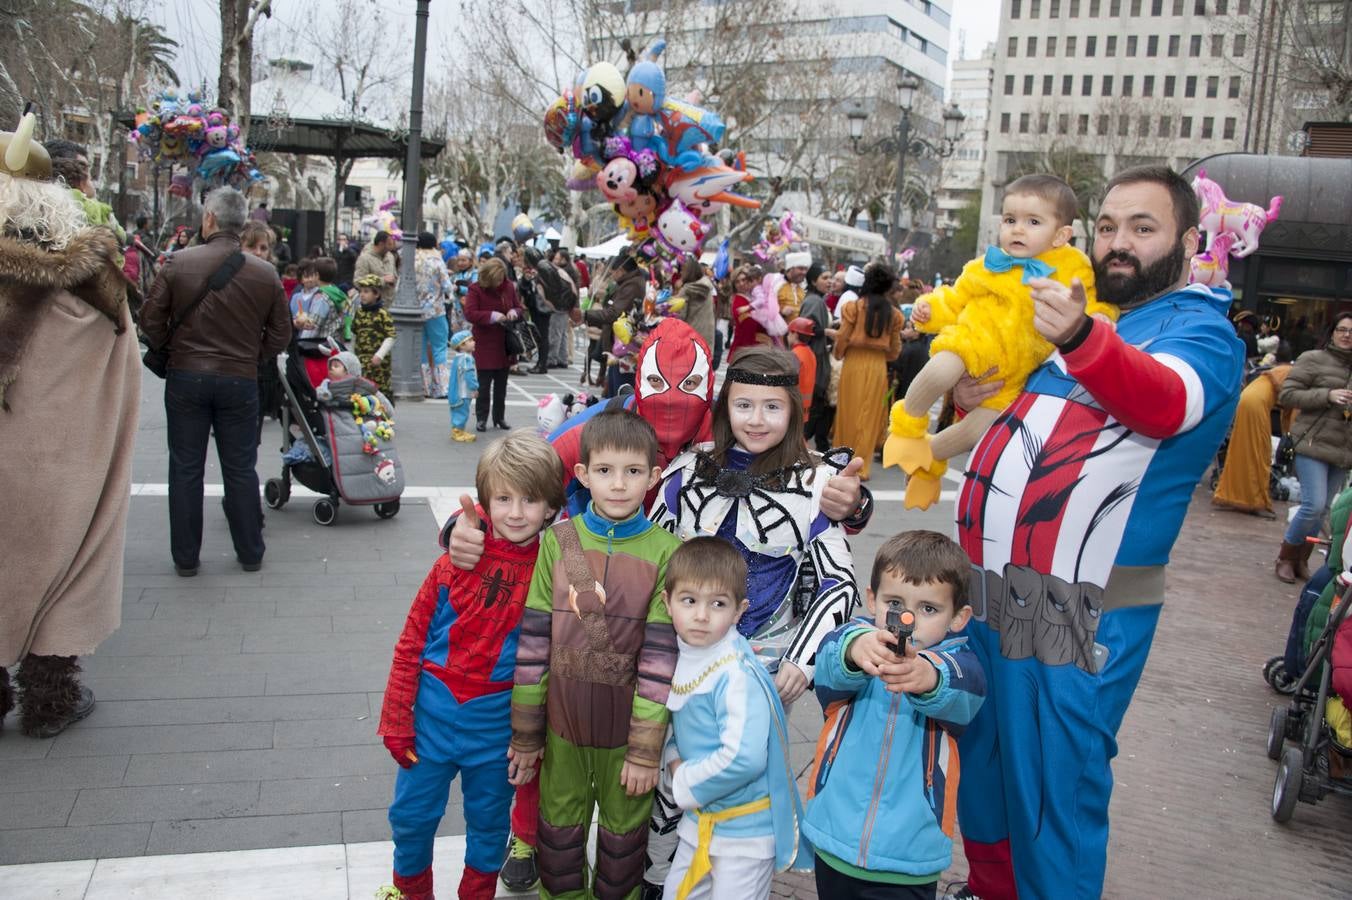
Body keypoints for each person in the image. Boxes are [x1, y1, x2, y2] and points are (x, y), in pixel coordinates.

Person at [945, 165, 1243, 900]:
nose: (1119, 243)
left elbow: (1163, 404)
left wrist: (1079, 336)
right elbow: (1031, 427)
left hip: (1081, 615)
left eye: (1143, 228)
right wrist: (975, 397)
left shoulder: (1202, 330)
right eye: (1108, 226)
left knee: (1057, 793)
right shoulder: (1095, 323)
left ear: (1189, 241)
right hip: (996, 599)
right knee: (986, 770)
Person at [646, 346, 862, 893]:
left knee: (745, 770)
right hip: (684, 654)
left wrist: (801, 662)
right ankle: (659, 873)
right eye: (743, 405)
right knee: (667, 765)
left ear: (794, 411)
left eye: (772, 407)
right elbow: (650, 552)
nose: (757, 420)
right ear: (725, 406)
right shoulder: (687, 470)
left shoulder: (818, 484)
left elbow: (839, 580)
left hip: (764, 664)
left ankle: (738, 876)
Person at [378, 432, 565, 900]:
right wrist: (396, 719)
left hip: (498, 732)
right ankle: (411, 892)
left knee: (488, 826)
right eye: (503, 499)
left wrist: (532, 739)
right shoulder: (450, 566)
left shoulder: (554, 572)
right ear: (485, 502)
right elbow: (410, 643)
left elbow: (552, 667)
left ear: (551, 507)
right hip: (430, 724)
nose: (516, 513)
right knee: (410, 817)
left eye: (530, 500)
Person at [0, 120, 141, 738]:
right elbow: (122, 370)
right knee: (70, 560)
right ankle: (49, 701)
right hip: (66, 461)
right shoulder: (93, 280)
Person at [508, 409, 681, 900]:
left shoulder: (668, 552)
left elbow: (659, 665)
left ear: (654, 476)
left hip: (627, 741)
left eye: (633, 471)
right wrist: (527, 736)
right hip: (561, 734)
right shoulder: (558, 541)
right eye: (605, 470)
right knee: (558, 852)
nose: (619, 484)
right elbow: (533, 646)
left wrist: (645, 753)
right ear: (583, 474)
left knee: (622, 857)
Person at [884, 174, 1116, 509]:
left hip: (1013, 380)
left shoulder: (1074, 268)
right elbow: (954, 299)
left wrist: (1100, 318)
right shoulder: (984, 266)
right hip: (970, 341)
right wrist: (928, 309)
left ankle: (928, 460)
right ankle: (906, 431)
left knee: (976, 431)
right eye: (1010, 220)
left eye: (1033, 221)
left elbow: (1087, 302)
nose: (1017, 229)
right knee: (939, 372)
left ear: (1061, 235)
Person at [805, 531, 985, 899]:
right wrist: (854, 649)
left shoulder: (959, 665)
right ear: (872, 599)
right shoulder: (860, 639)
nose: (908, 619)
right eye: (895, 603)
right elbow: (827, 663)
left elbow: (965, 691)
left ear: (958, 617)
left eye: (928, 609)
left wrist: (930, 677)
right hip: (834, 838)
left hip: (908, 858)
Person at [140, 186, 292, 577]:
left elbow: (149, 320)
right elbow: (281, 334)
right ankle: (250, 551)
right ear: (242, 224)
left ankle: (186, 558)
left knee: (186, 467)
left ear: (209, 218)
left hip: (187, 376)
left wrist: (172, 349)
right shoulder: (265, 273)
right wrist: (252, 354)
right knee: (240, 467)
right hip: (240, 378)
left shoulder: (178, 263)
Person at [660, 537, 808, 900]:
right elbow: (682, 725)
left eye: (718, 604)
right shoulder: (690, 652)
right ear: (667, 602)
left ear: (739, 611)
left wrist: (682, 778)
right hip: (702, 823)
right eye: (689, 601)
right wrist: (673, 756)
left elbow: (744, 757)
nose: (701, 615)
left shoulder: (735, 674)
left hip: (744, 835)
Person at [1274, 312, 1352, 583]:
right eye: (1342, 329)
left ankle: (1301, 560)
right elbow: (1287, 395)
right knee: (1313, 505)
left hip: (1343, 450)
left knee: (1325, 509)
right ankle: (1285, 557)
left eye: (1351, 331)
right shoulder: (1313, 359)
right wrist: (1327, 395)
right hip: (1311, 443)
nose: (1347, 335)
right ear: (1332, 332)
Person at [832, 263, 904, 481]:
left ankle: (840, 461)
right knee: (871, 415)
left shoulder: (853, 308)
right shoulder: (894, 315)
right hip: (877, 365)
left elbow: (842, 337)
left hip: (853, 362)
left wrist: (839, 354)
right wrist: (882, 357)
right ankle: (861, 467)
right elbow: (895, 349)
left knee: (847, 412)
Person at [1212, 352, 1294, 520]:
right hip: (1256, 405)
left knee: (1242, 450)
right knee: (1260, 453)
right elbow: (1290, 408)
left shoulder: (1284, 371)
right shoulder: (1292, 374)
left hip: (1249, 401)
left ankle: (1234, 495)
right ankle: (1254, 500)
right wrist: (1289, 433)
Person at [464, 256, 525, 432]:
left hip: (505, 342)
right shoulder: (475, 289)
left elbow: (519, 308)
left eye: (500, 279)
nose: (498, 283)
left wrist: (514, 311)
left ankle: (499, 418)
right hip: (485, 342)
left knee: (501, 385)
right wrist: (492, 316)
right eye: (495, 280)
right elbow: (470, 313)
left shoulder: (509, 287)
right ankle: (481, 418)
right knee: (483, 384)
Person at [522, 245, 574, 371]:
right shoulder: (544, 268)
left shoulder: (543, 270)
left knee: (544, 336)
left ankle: (542, 364)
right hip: (544, 307)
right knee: (544, 335)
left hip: (542, 307)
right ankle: (542, 363)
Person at [289, 258, 339, 387]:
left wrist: (300, 343)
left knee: (316, 383)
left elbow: (312, 325)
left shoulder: (321, 297)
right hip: (332, 344)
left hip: (317, 348)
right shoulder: (336, 293)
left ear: (317, 275)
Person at [415, 231, 452, 398]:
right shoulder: (436, 260)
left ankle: (424, 387)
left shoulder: (412, 259)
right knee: (439, 347)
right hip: (435, 309)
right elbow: (447, 286)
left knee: (421, 349)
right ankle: (441, 387)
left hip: (416, 310)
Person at [799, 264, 833, 451]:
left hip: (816, 359)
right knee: (812, 412)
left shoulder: (818, 300)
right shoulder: (814, 301)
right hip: (814, 361)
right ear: (813, 281)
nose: (829, 281)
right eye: (824, 277)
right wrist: (826, 332)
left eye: (830, 277)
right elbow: (805, 328)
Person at [352, 274, 397, 397]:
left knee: (380, 392)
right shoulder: (359, 313)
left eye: (366, 291)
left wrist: (379, 355)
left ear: (376, 294)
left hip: (378, 363)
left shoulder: (383, 314)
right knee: (361, 392)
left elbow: (391, 336)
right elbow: (354, 333)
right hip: (361, 360)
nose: (362, 295)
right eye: (361, 291)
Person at [727, 265, 769, 364]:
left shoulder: (754, 296)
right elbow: (749, 326)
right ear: (734, 285)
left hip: (755, 349)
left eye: (744, 280)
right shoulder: (739, 302)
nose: (741, 284)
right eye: (737, 282)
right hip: (746, 349)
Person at [676, 256, 715, 349]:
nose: (681, 273)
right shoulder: (707, 287)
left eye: (683, 270)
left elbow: (680, 316)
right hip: (706, 336)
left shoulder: (686, 290)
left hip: (689, 338)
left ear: (689, 272)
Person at [447, 329, 479, 443]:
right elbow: (469, 374)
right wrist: (474, 387)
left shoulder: (459, 357)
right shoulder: (466, 358)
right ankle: (458, 432)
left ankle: (459, 430)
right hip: (463, 392)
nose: (474, 342)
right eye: (470, 340)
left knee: (459, 411)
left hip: (458, 392)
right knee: (462, 412)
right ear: (462, 345)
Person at [356, 231, 399, 305]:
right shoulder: (364, 258)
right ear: (381, 244)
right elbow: (358, 281)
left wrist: (394, 280)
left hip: (389, 303)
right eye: (389, 244)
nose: (391, 248)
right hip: (373, 305)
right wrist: (382, 280)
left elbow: (394, 275)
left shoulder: (390, 256)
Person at [787, 317, 817, 413]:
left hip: (794, 406)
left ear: (795, 334)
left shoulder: (795, 354)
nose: (787, 336)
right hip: (805, 407)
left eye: (789, 333)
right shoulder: (810, 353)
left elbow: (788, 381)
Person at [777, 251, 810, 321]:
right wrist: (781, 313)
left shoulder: (803, 289)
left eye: (806, 269)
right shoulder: (777, 285)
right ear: (790, 268)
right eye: (801, 268)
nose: (804, 272)